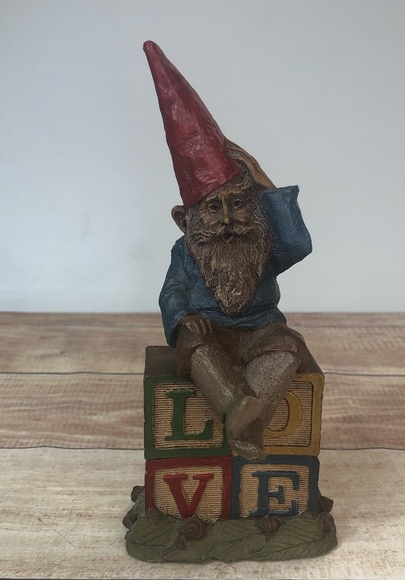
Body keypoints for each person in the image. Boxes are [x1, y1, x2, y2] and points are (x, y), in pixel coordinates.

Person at [144, 41, 312, 460]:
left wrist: (266, 184)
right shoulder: (188, 251)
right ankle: (241, 411)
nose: (227, 219)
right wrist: (184, 320)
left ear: (253, 206)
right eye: (212, 208)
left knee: (287, 346)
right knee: (195, 346)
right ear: (185, 219)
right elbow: (172, 291)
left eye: (237, 203)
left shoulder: (259, 242)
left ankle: (242, 417)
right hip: (211, 334)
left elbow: (297, 244)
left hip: (261, 330)